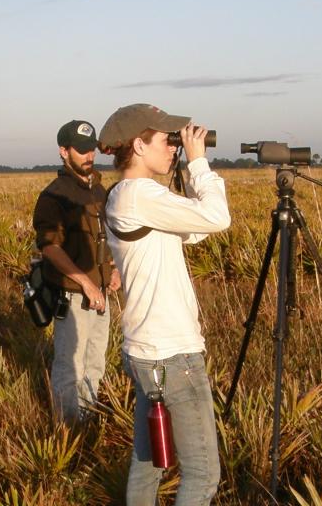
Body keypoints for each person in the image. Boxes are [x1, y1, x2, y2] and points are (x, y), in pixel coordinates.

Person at [99, 103, 230, 505]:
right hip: (171, 353)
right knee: (204, 475)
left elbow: (194, 230)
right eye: (166, 139)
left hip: (145, 351)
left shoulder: (126, 195)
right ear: (138, 145)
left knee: (149, 464)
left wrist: (190, 175)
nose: (174, 147)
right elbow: (217, 218)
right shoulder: (141, 194)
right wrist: (199, 164)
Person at [32, 119, 122, 425]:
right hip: (72, 296)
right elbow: (49, 247)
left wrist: (113, 269)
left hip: (102, 293)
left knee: (95, 362)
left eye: (91, 149)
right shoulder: (54, 195)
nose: (88, 156)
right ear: (63, 151)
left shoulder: (99, 189)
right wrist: (84, 282)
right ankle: (69, 428)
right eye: (80, 150)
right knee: (70, 366)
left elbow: (107, 235)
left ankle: (89, 418)